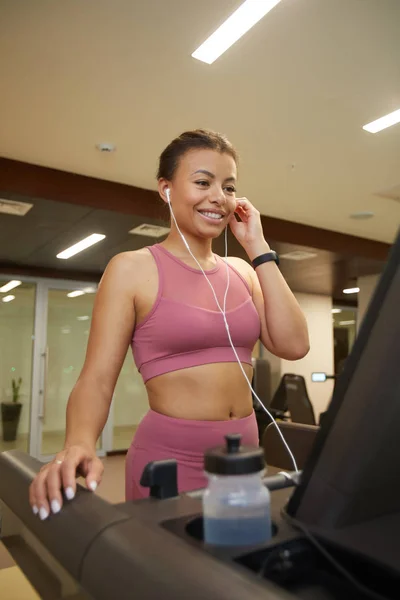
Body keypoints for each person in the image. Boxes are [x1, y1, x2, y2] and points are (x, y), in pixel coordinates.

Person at [29, 129, 309, 520]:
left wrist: (258, 247)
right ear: (166, 189)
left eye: (229, 187)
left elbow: (294, 345)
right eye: (202, 182)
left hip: (242, 459)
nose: (218, 197)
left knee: (239, 571)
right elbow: (96, 378)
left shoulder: (243, 271)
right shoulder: (131, 269)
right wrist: (79, 443)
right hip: (170, 460)